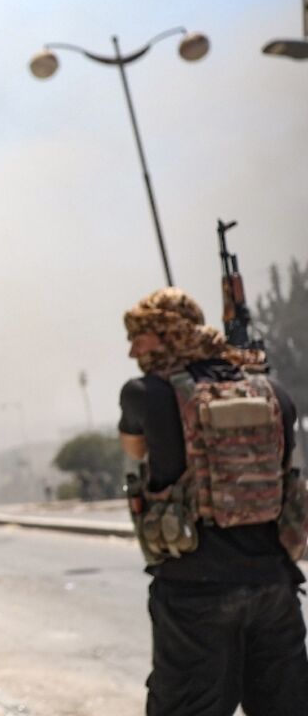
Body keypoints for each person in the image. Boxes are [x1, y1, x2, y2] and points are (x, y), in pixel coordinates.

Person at [118, 287, 308, 715]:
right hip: (274, 587)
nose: (132, 351)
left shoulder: (145, 393)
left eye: (140, 338)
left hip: (194, 592)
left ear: (167, 336)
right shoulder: (272, 391)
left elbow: (134, 451)